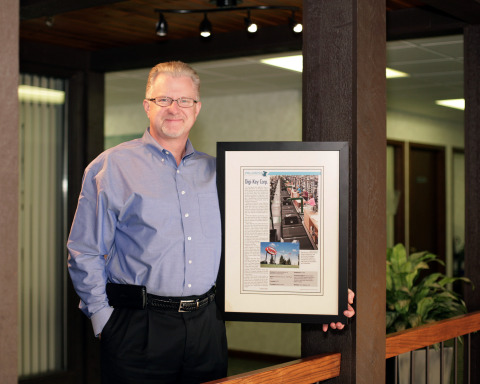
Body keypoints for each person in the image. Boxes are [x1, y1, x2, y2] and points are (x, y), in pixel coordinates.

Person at [67, 61, 355, 384]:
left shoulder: (220, 173)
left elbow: (270, 238)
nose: (174, 108)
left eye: (184, 100)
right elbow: (84, 252)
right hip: (138, 329)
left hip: (207, 328)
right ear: (147, 106)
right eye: (164, 100)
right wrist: (104, 320)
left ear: (197, 108)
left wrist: (325, 290)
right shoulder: (111, 167)